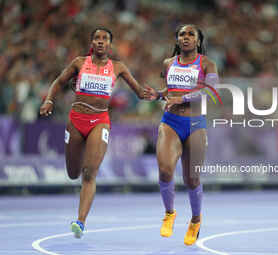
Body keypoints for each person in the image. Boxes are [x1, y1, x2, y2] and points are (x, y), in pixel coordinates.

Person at [39, 27, 149, 239]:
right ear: (92, 43)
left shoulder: (118, 67)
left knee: (89, 174)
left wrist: (161, 94)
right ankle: (82, 160)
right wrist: (49, 100)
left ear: (110, 44)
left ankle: (80, 222)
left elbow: (140, 92)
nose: (100, 42)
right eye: (97, 38)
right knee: (73, 173)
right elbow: (59, 82)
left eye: (104, 39)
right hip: (75, 121)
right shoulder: (79, 63)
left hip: (100, 121)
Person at [145, 24, 219, 245]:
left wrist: (183, 99)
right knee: (165, 170)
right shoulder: (169, 63)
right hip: (171, 123)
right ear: (177, 40)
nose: (185, 37)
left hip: (195, 123)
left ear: (198, 40)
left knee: (191, 178)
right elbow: (171, 90)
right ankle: (169, 213)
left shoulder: (207, 63)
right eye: (181, 34)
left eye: (190, 34)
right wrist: (159, 95)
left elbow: (212, 90)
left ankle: (196, 220)